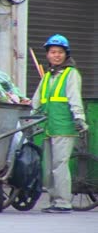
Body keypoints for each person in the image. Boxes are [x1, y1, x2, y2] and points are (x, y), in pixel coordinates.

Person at [31, 34, 88, 213]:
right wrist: (31, 116)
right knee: (48, 167)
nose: (56, 55)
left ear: (66, 54)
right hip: (48, 127)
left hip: (64, 126)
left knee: (59, 165)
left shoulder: (71, 74)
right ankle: (54, 200)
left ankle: (63, 202)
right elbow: (37, 99)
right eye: (53, 52)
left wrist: (79, 118)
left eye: (60, 52)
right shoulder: (48, 75)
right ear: (48, 55)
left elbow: (74, 97)